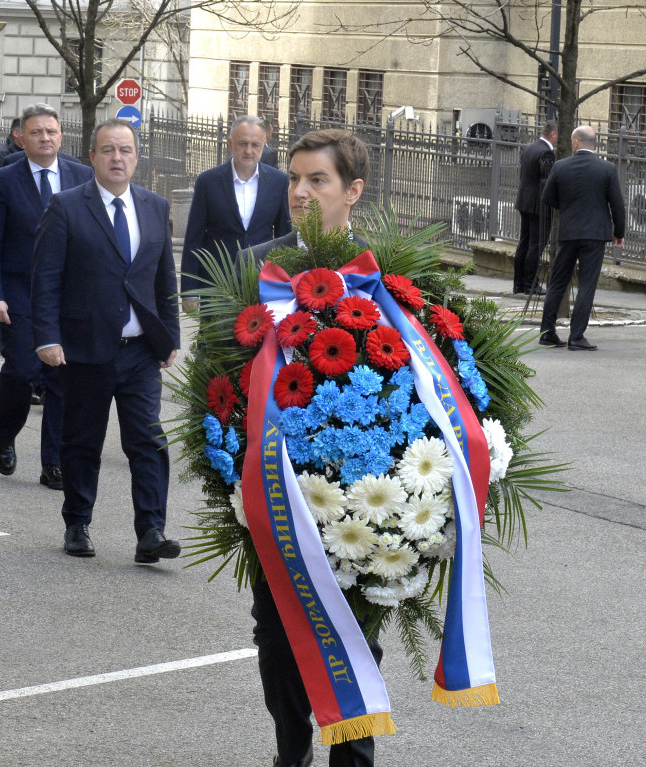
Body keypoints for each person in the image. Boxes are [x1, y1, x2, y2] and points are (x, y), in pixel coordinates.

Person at [248, 129, 382, 767]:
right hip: (274, 494)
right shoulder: (257, 266)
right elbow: (219, 377)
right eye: (294, 178)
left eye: (317, 180)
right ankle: (291, 742)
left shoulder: (386, 272)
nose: (299, 192)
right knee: (276, 642)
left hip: (362, 497)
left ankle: (353, 759)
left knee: (356, 638)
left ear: (352, 191)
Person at [30, 118, 181, 564]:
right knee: (82, 440)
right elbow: (46, 281)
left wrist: (169, 334)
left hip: (139, 352)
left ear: (137, 157)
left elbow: (162, 277)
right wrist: (46, 337)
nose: (118, 158)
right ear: (92, 156)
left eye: (126, 150)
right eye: (108, 150)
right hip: (83, 347)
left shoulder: (154, 206)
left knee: (148, 440)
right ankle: (77, 522)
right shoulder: (66, 207)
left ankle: (151, 531)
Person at [0, 103, 93, 491]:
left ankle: (53, 462)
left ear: (61, 136)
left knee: (61, 375)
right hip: (19, 290)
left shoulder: (82, 175)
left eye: (51, 132)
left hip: (67, 292)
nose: (45, 138)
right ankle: (6, 430)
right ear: (20, 138)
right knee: (23, 370)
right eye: (37, 133)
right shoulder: (5, 179)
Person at [181, 115, 291, 312]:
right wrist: (189, 291)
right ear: (231, 143)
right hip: (217, 285)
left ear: (264, 144)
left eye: (255, 145)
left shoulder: (279, 182)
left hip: (261, 286)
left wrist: (285, 285)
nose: (249, 151)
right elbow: (193, 238)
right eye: (242, 144)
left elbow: (284, 237)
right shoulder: (208, 182)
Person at [538, 125, 626, 352]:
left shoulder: (560, 166)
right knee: (587, 284)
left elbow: (548, 197)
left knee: (557, 282)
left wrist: (567, 208)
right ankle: (577, 336)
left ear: (575, 143)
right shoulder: (606, 169)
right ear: (592, 144)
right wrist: (619, 233)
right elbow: (617, 204)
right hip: (595, 234)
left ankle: (548, 332)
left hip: (568, 232)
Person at [512, 119, 557, 295]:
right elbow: (547, 183)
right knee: (536, 245)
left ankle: (519, 284)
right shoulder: (546, 153)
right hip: (539, 205)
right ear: (552, 134)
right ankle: (531, 284)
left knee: (524, 243)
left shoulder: (530, 148)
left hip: (524, 200)